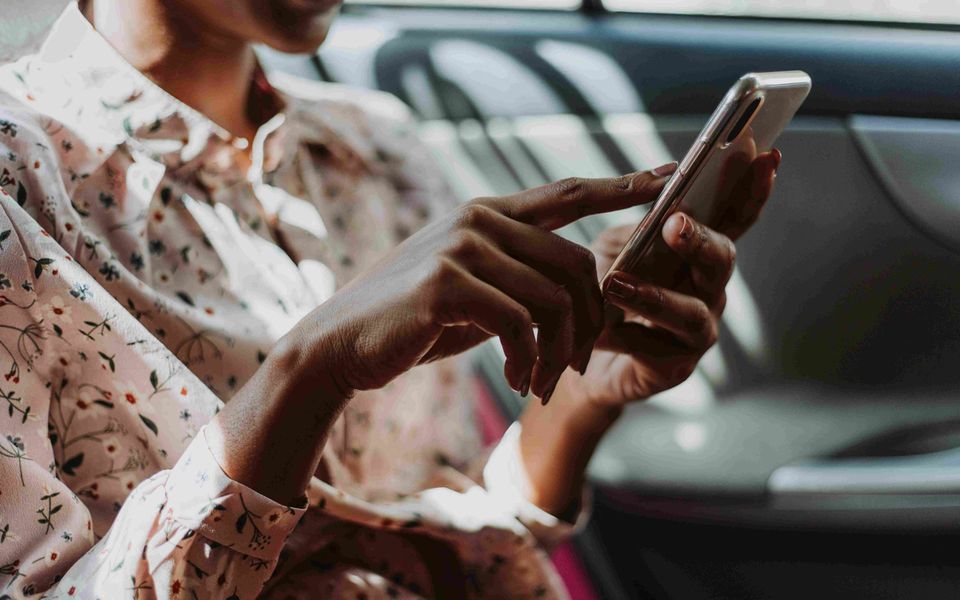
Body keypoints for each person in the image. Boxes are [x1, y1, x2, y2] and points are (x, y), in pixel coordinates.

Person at [0, 0, 780, 597]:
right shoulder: (20, 187)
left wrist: (579, 398)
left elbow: (458, 528)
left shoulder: (380, 149)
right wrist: (311, 371)